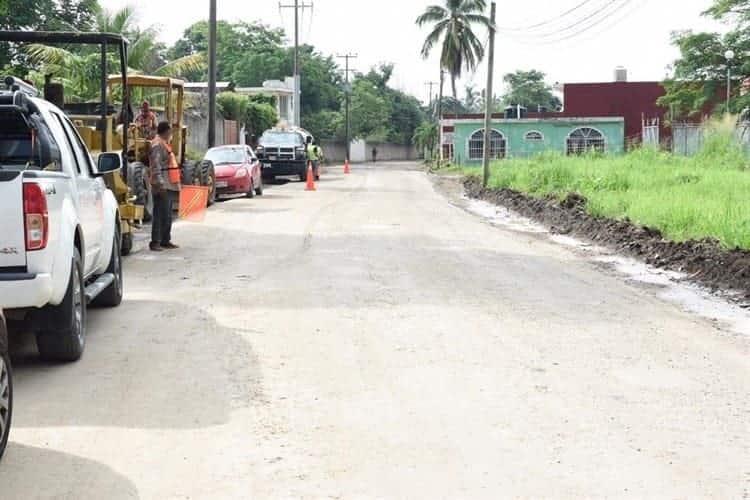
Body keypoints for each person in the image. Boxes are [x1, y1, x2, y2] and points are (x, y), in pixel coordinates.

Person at [149, 121, 181, 251]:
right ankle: (155, 242)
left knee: (167, 214)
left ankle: (165, 240)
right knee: (159, 214)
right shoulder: (157, 145)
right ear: (166, 131)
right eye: (170, 132)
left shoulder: (163, 143)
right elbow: (155, 166)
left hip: (167, 184)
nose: (171, 134)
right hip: (161, 184)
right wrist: (160, 184)